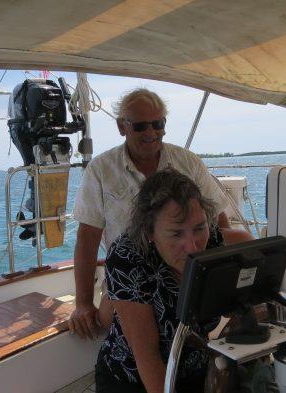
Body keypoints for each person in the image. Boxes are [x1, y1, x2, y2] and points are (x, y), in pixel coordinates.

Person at [69, 88, 231, 339]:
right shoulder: (100, 170)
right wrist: (83, 303)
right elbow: (87, 239)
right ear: (122, 127)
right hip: (128, 279)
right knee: (116, 328)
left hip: (183, 278)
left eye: (158, 124)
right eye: (141, 126)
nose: (151, 133)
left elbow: (219, 223)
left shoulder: (188, 162)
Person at [95, 170, 252, 393]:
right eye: (176, 234)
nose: (193, 246)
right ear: (149, 232)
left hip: (194, 368)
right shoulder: (127, 257)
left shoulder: (215, 243)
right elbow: (147, 356)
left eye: (199, 228)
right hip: (132, 379)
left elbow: (246, 243)